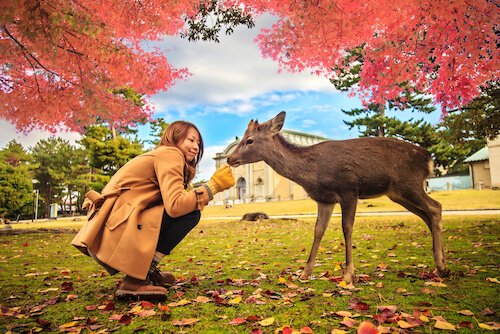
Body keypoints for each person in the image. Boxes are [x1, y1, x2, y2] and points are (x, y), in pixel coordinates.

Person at [71, 121, 235, 298]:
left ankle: (144, 272)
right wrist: (213, 187)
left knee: (188, 209)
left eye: (198, 143)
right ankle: (135, 279)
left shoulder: (161, 155)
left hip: (111, 227)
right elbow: (176, 205)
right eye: (191, 140)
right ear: (175, 136)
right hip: (117, 228)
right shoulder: (171, 154)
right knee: (190, 214)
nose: (195, 147)